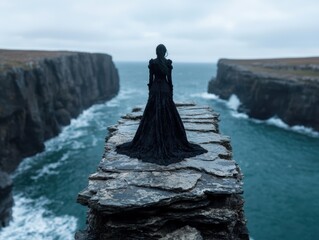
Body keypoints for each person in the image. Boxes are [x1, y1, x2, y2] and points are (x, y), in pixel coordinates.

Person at [116, 44, 207, 165]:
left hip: (154, 90)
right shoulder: (168, 63)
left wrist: (150, 93)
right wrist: (171, 93)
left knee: (151, 115)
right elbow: (169, 80)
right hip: (165, 90)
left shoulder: (152, 63)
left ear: (156, 51)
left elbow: (150, 80)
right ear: (164, 52)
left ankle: (152, 139)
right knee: (168, 115)